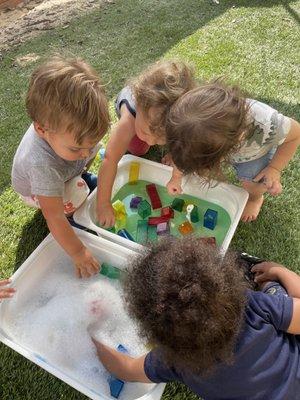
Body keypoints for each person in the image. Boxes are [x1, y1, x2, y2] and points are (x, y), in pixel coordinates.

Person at [91, 237, 300, 400]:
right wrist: (281, 271)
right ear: (227, 282)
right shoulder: (253, 305)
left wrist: (88, 336)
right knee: (273, 288)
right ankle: (264, 277)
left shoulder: (173, 362)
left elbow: (125, 368)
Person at [12, 56, 110, 278]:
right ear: (42, 130)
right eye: (77, 149)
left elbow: (85, 151)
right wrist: (78, 252)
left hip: (62, 172)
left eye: (92, 144)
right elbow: (53, 216)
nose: (85, 153)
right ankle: (73, 213)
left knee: (84, 178)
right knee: (72, 211)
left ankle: (76, 180)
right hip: (35, 191)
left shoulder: (72, 136)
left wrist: (81, 161)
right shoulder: (41, 165)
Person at [165, 81, 300, 222]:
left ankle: (255, 199)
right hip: (227, 144)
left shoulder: (268, 125)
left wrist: (275, 168)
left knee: (253, 180)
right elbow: (183, 150)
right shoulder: (189, 127)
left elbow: (296, 135)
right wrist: (176, 177)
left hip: (256, 153)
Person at [96, 60, 197, 228]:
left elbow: (182, 144)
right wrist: (103, 204)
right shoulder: (129, 121)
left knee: (169, 144)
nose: (151, 141)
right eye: (145, 132)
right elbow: (109, 159)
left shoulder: (180, 122)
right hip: (129, 104)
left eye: (158, 140)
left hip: (152, 118)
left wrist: (175, 176)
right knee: (139, 148)